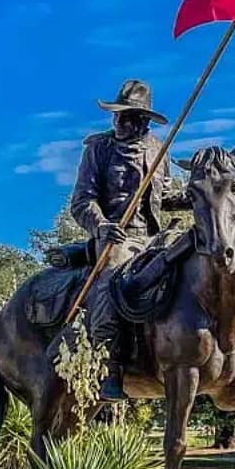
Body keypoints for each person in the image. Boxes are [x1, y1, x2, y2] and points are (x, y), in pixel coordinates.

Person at [71, 78, 186, 401]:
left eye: (126, 116)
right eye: (117, 115)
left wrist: (195, 195)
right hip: (115, 238)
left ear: (143, 121)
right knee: (112, 273)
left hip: (152, 239)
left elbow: (163, 197)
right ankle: (110, 362)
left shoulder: (158, 151)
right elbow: (81, 201)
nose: (118, 121)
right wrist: (102, 225)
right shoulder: (98, 149)